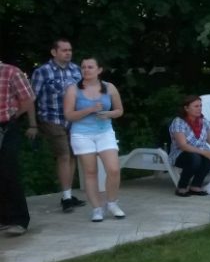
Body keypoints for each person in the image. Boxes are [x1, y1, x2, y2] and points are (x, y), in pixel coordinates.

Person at [63, 58, 125, 222]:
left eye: (90, 67)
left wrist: (108, 114)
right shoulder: (73, 89)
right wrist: (89, 109)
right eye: (83, 67)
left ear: (99, 70)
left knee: (113, 169)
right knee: (90, 173)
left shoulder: (109, 87)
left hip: (104, 132)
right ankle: (97, 209)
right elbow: (68, 115)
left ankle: (112, 203)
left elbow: (119, 110)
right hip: (82, 134)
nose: (86, 70)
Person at [30, 38, 87, 212]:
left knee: (72, 156)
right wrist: (33, 124)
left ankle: (67, 195)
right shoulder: (42, 72)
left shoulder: (77, 70)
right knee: (63, 155)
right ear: (54, 52)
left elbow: (84, 95)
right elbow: (31, 98)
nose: (68, 53)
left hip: (74, 119)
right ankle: (67, 197)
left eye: (70, 50)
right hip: (52, 118)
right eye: (64, 50)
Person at [169, 95, 210, 196]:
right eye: (196, 106)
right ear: (186, 108)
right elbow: (183, 145)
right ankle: (181, 187)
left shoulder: (204, 121)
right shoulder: (179, 122)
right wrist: (205, 152)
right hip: (181, 154)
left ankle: (195, 186)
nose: (199, 108)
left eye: (200, 106)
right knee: (195, 158)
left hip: (199, 153)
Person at [0, 59, 36, 236]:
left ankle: (19, 220)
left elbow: (29, 99)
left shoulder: (11, 72)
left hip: (6, 127)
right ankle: (4, 218)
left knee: (9, 171)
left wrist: (15, 115)